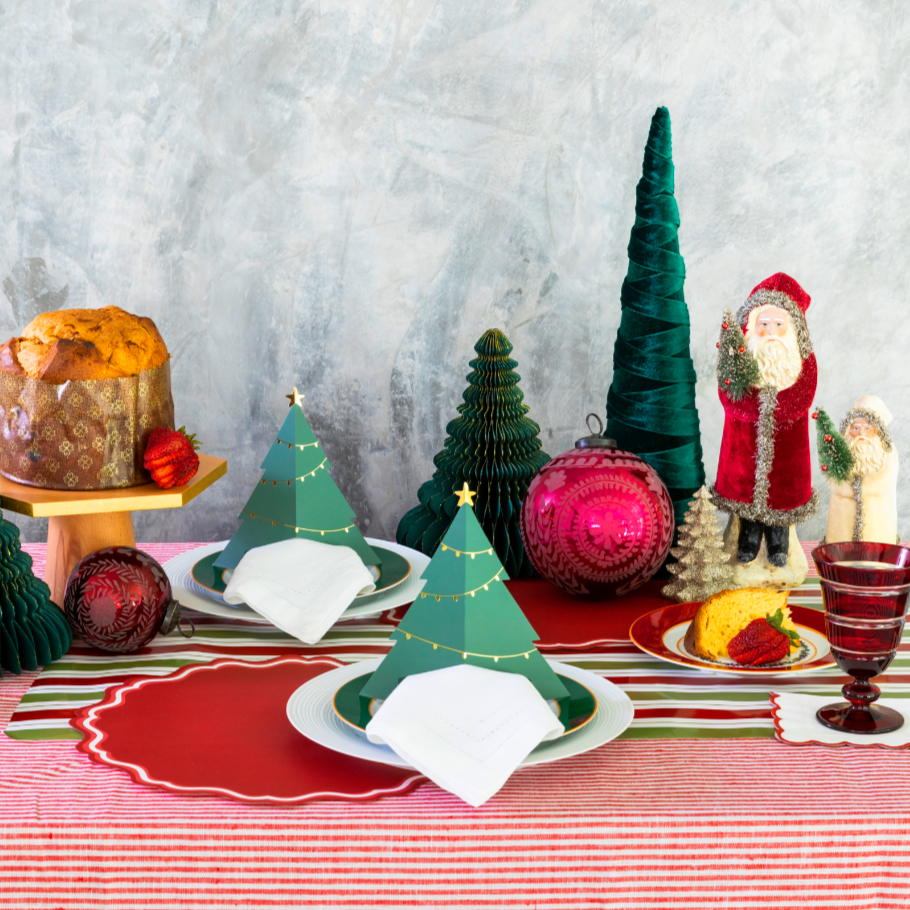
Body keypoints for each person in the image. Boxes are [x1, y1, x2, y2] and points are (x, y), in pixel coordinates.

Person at [712, 273, 818, 567]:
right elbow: (728, 392)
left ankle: (778, 540)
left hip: (787, 445)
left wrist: (774, 408)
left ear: (792, 329)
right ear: (753, 327)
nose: (771, 331)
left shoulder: (801, 360)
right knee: (746, 497)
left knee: (780, 501)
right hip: (743, 444)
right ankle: (748, 536)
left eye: (779, 325)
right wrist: (755, 408)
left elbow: (803, 395)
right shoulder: (739, 357)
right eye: (765, 325)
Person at [825, 396, 899, 544]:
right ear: (848, 428)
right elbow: (833, 479)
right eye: (856, 428)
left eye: (867, 429)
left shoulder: (888, 451)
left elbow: (885, 481)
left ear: (877, 430)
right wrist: (850, 488)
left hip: (879, 534)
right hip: (840, 535)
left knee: (878, 554)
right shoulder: (839, 450)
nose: (861, 434)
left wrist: (858, 488)